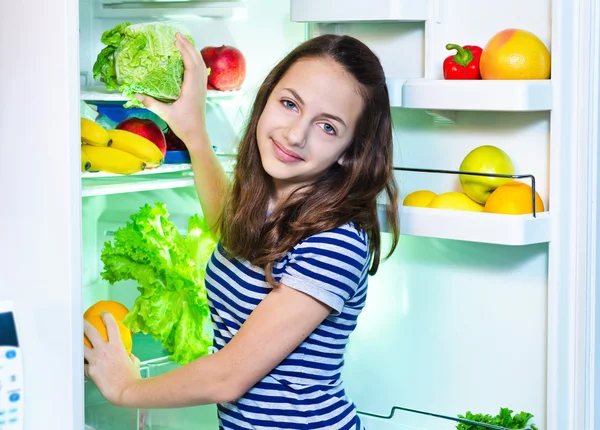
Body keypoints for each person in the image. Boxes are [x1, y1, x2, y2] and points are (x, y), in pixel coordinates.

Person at [84, 31, 400, 430]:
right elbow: (229, 228)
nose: (295, 134)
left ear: (351, 151)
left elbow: (227, 378)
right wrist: (194, 133)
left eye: (328, 127)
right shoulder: (275, 205)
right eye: (289, 104)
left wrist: (125, 390)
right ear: (266, 98)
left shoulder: (335, 242)